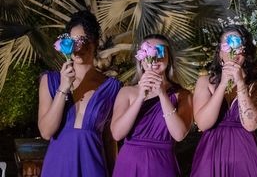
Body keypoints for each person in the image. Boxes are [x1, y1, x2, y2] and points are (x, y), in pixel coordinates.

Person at [38, 10, 121, 177]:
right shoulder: (50, 80)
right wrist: (63, 87)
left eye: (84, 40)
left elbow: (109, 140)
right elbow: (46, 132)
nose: (78, 46)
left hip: (93, 166)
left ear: (95, 42)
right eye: (73, 41)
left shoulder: (112, 87)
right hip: (57, 167)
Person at [191, 25, 257, 176]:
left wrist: (240, 83)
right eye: (228, 46)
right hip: (210, 156)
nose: (233, 52)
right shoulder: (205, 82)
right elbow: (203, 123)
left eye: (239, 46)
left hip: (245, 158)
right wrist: (222, 85)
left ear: (246, 52)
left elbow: (251, 125)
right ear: (220, 53)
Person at [111, 34, 193, 176]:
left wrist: (162, 94)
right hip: (129, 164)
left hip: (162, 164)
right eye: (148, 52)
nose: (154, 58)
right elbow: (117, 134)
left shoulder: (183, 95)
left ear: (169, 58)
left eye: (160, 51)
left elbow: (179, 134)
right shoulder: (127, 92)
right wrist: (140, 97)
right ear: (141, 59)